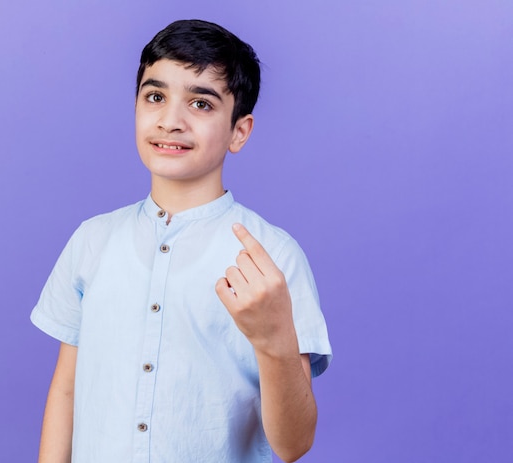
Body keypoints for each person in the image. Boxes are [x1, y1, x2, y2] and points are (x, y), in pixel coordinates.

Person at [31, 19, 332, 463]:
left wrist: (275, 341)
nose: (171, 121)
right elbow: (67, 389)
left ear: (239, 131)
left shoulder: (273, 258)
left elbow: (294, 445)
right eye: (155, 97)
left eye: (201, 104)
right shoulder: (92, 241)